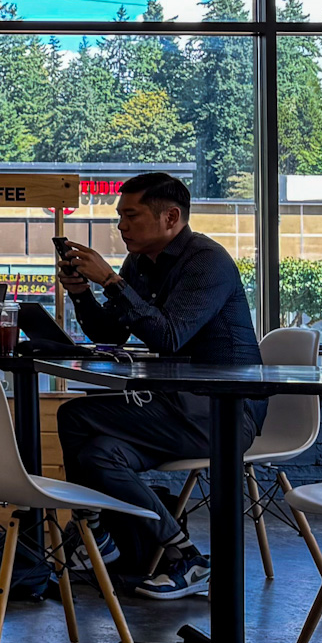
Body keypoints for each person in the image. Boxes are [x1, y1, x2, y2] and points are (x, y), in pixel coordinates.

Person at [54, 171, 262, 600]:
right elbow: (109, 336)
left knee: (73, 414)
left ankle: (95, 534)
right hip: (175, 407)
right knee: (98, 454)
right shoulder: (140, 264)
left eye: (130, 216)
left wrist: (112, 282)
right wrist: (81, 294)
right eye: (119, 216)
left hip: (223, 414)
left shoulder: (207, 262)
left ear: (171, 217)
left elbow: (169, 336)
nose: (121, 226)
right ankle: (182, 553)